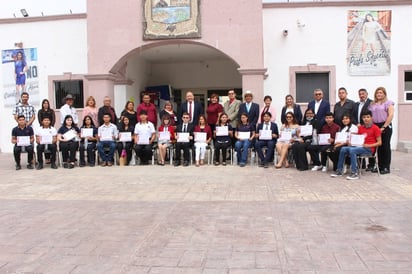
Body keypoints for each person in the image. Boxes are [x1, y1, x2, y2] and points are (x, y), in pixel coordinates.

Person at [331, 110, 382, 180]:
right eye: (364, 117)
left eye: (368, 117)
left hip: (369, 149)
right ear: (362, 118)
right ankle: (339, 170)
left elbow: (379, 143)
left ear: (371, 118)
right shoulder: (361, 128)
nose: (366, 119)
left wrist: (368, 145)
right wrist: (351, 142)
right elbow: (357, 139)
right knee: (343, 149)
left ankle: (354, 173)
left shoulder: (375, 128)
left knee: (352, 150)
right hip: (360, 147)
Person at [368, 86, 394, 174]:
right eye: (377, 93)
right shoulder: (372, 104)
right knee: (378, 147)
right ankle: (379, 166)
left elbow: (390, 115)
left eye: (381, 93)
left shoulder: (388, 103)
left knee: (385, 146)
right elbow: (370, 116)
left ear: (384, 94)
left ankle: (386, 167)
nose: (379, 94)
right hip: (375, 126)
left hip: (385, 125)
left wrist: (384, 127)